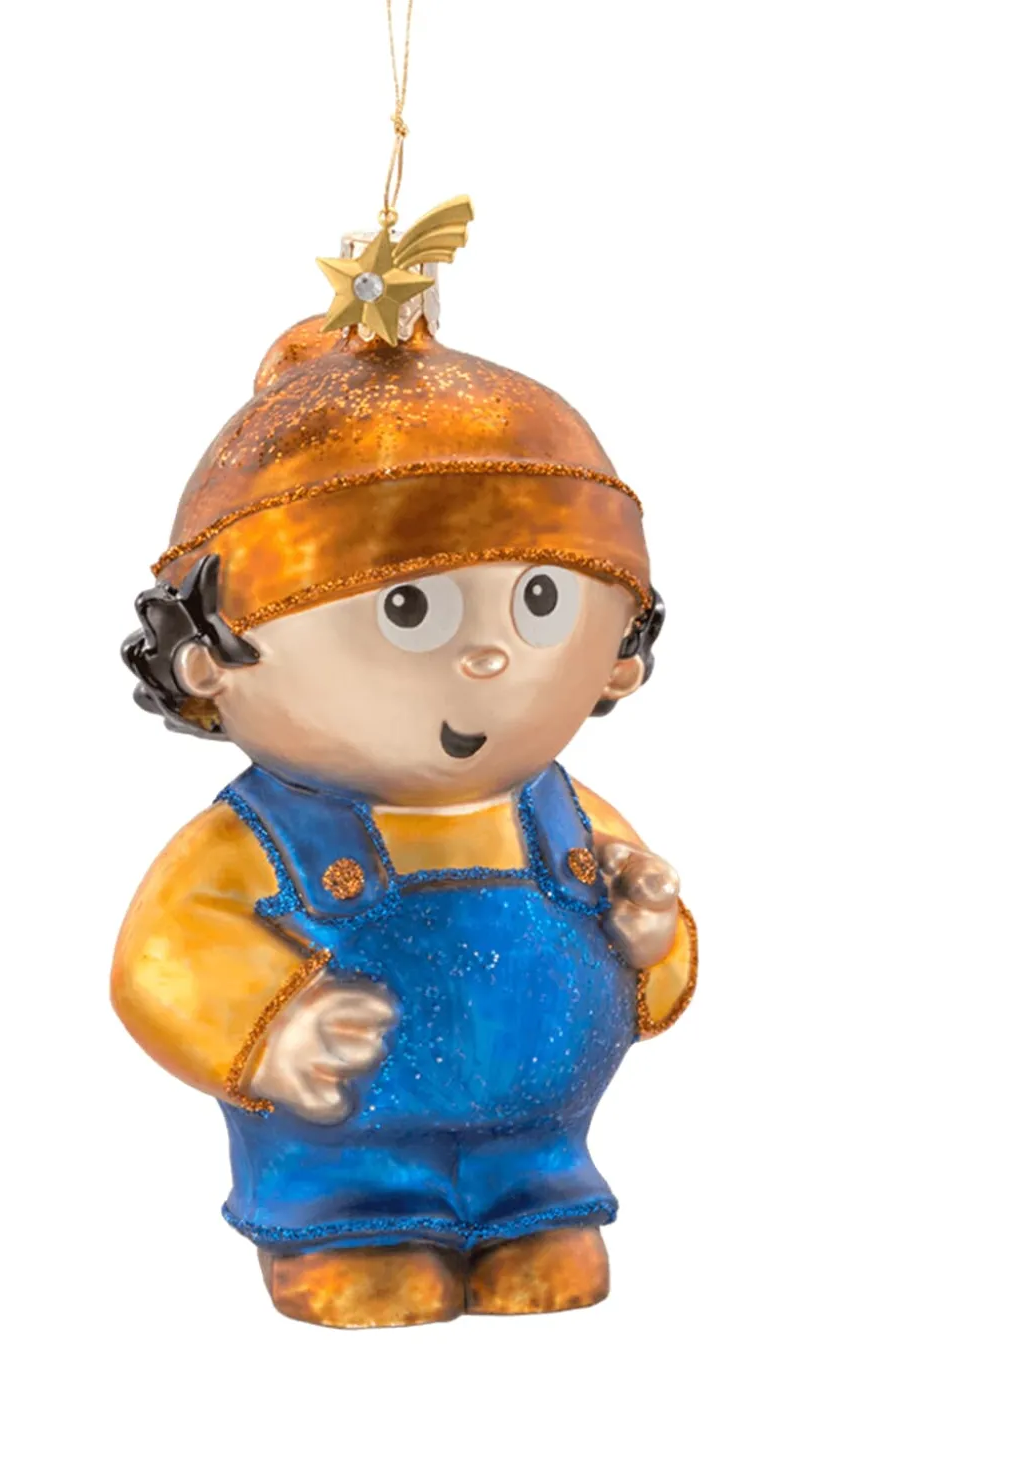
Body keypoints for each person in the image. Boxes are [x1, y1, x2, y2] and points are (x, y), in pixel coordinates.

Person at [112, 315, 696, 1327]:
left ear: (619, 652)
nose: (489, 656)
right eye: (410, 609)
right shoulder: (253, 839)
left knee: (550, 1261)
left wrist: (651, 935)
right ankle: (356, 1233)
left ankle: (524, 1218)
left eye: (541, 601)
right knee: (377, 1268)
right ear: (208, 659)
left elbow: (656, 978)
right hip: (341, 1163)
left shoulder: (564, 813)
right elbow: (162, 958)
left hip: (544, 1150)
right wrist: (272, 1033)